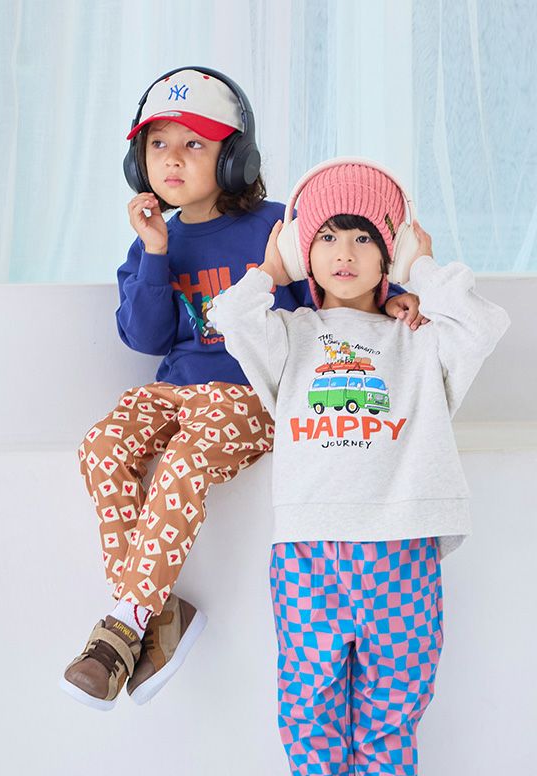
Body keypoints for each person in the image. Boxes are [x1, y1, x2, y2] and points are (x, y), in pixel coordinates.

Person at [60, 72, 421, 711]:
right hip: (176, 390)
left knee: (184, 461)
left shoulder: (277, 227)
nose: (172, 159)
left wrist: (392, 298)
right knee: (102, 446)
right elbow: (145, 338)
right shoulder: (153, 242)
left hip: (248, 393)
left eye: (194, 145)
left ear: (235, 159)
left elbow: (339, 277)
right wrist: (155, 252)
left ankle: (124, 625)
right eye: (158, 144)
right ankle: (157, 612)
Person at [208, 158, 510, 776]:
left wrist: (421, 269)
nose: (345, 252)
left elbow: (483, 325)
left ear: (390, 248)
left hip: (402, 550)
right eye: (327, 236)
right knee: (309, 710)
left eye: (365, 237)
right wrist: (272, 266)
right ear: (303, 249)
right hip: (309, 554)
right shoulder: (289, 336)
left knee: (391, 713)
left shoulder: (422, 341)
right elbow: (230, 319)